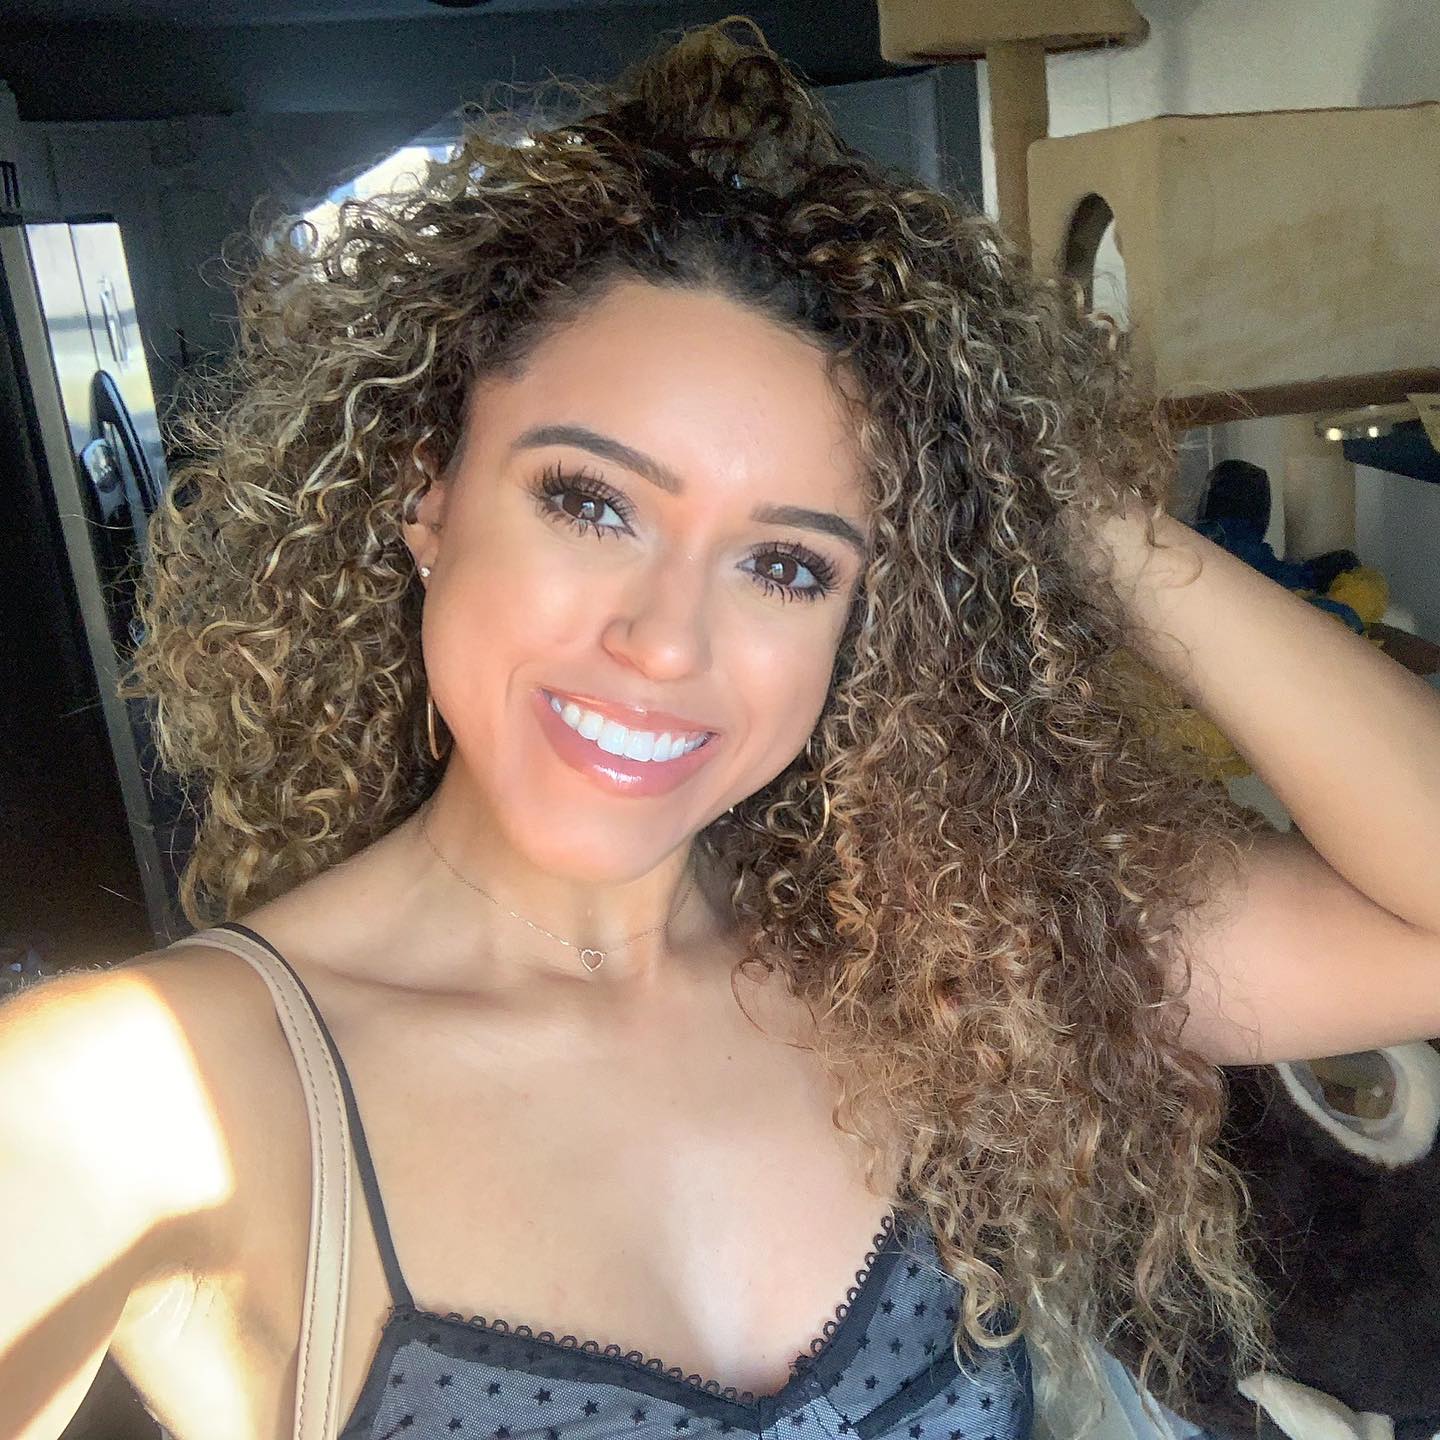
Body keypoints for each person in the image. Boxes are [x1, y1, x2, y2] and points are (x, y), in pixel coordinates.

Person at [7, 15, 1440, 1440]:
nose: (666, 643)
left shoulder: (931, 957)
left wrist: (1047, 506)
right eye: (591, 502)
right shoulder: (138, 1102)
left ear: (869, 617)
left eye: (788, 565)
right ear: (426, 497)